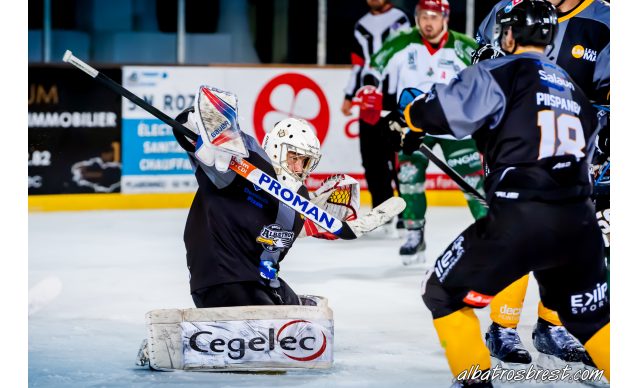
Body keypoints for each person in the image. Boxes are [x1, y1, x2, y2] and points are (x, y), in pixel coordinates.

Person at [400, 0, 609, 385]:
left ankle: (476, 378)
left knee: (442, 294)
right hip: (580, 224)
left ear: (509, 35)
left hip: (520, 217)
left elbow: (439, 112)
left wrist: (410, 116)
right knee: (595, 319)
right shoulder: (577, 95)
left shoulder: (497, 71)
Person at [474, 0, 610, 366]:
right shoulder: (509, 5)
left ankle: (552, 325)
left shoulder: (605, 18)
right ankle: (502, 325)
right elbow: (480, 53)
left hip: (573, 142)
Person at [172, 87, 362, 308]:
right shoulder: (244, 157)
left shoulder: (296, 200)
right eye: (294, 157)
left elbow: (269, 258)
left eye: (305, 161)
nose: (298, 167)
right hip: (220, 279)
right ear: (276, 148)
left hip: (259, 282)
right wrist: (207, 131)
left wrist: (311, 223)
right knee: (279, 332)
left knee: (305, 314)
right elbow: (184, 125)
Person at [370, 0, 486, 265]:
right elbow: (374, 66)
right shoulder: (402, 40)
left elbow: (487, 75)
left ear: (445, 17)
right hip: (413, 126)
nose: (428, 22)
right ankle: (414, 233)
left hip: (455, 126)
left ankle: (490, 231)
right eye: (423, 16)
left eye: (433, 16)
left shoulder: (463, 45)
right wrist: (369, 88)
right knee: (409, 179)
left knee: (473, 183)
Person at [342, 0, 410, 229]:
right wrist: (349, 95)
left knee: (399, 160)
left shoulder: (401, 19)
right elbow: (357, 65)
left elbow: (407, 60)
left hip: (393, 102)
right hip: (368, 103)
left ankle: (406, 211)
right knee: (372, 160)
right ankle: (383, 211)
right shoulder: (361, 24)